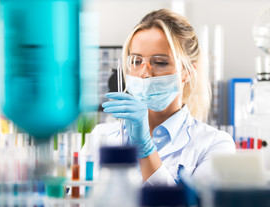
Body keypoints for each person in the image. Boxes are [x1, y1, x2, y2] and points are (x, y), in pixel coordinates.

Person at [90, 8, 235, 186]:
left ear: (187, 72)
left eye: (160, 62)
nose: (144, 74)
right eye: (136, 61)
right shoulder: (101, 136)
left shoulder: (214, 144)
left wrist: (145, 147)